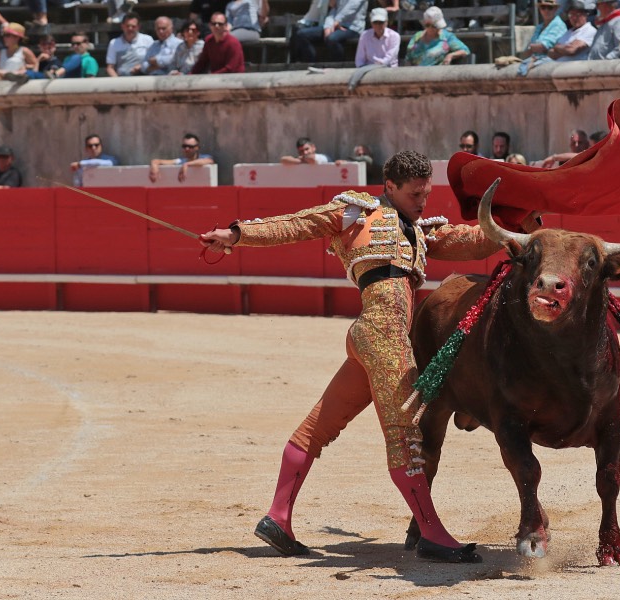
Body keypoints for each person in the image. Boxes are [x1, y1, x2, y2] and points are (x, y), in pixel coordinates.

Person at [198, 150, 497, 564]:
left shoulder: (420, 231)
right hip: (384, 334)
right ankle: (432, 533)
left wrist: (522, 223)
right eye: (414, 194)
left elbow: (474, 240)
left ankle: (277, 517)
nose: (422, 202)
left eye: (426, 194)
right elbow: (297, 224)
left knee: (317, 428)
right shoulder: (357, 212)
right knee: (407, 436)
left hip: (373, 337)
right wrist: (237, 234)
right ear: (389, 186)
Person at [290, 0, 367, 63]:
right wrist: (328, 26)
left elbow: (352, 7)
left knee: (332, 38)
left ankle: (337, 66)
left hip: (352, 27)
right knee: (301, 34)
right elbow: (333, 11)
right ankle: (309, 64)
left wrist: (337, 21)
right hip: (335, 25)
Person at [405, 6, 471, 66]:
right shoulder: (417, 37)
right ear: (427, 25)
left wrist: (451, 55)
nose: (438, 29)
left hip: (437, 74)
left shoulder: (447, 37)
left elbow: (465, 50)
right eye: (435, 26)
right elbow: (408, 58)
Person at [517, 0, 567, 74]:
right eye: (543, 7)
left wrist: (531, 48)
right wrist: (533, 48)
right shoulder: (539, 26)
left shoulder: (558, 24)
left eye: (550, 8)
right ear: (539, 9)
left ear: (555, 9)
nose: (546, 10)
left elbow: (543, 46)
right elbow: (528, 51)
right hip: (536, 60)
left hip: (552, 63)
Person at [149, 133, 215, 183]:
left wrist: (187, 164)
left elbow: (209, 161)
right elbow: (157, 161)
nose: (187, 149)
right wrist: (154, 166)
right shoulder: (180, 161)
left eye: (190, 146)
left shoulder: (203, 157)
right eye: (184, 146)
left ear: (197, 147)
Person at [105, 12, 154, 77]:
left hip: (144, 78)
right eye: (127, 26)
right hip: (122, 80)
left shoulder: (148, 40)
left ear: (138, 27)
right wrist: (117, 81)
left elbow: (154, 62)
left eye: (133, 26)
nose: (130, 28)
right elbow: (110, 68)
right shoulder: (114, 43)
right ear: (122, 26)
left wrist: (142, 66)